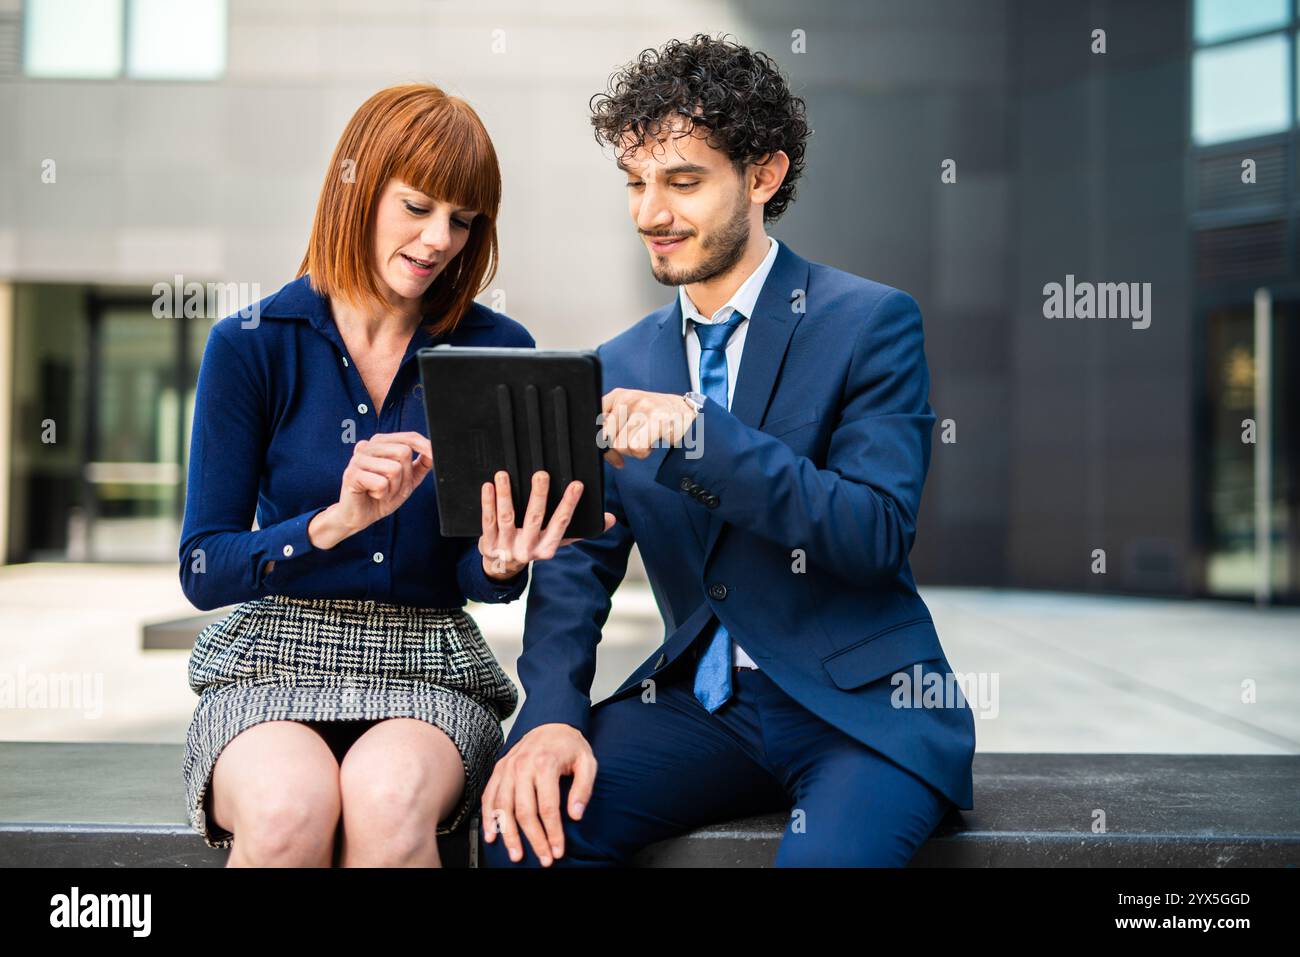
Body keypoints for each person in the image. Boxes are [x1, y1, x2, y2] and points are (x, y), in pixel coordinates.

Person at [480, 35, 976, 868]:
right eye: (636, 183)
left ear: (763, 176)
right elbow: (577, 559)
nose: (651, 213)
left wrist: (701, 436)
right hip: (702, 709)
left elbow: (875, 529)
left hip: (860, 710)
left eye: (683, 181)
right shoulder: (620, 362)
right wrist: (552, 713)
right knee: (523, 837)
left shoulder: (869, 323)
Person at [179, 83, 610, 867]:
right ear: (357, 191)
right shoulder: (252, 344)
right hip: (274, 658)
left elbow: (482, 580)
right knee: (284, 811)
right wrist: (333, 521)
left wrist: (499, 559)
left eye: (462, 219)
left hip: (429, 666)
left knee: (388, 798)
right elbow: (204, 567)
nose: (439, 238)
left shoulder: (496, 349)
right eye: (417, 207)